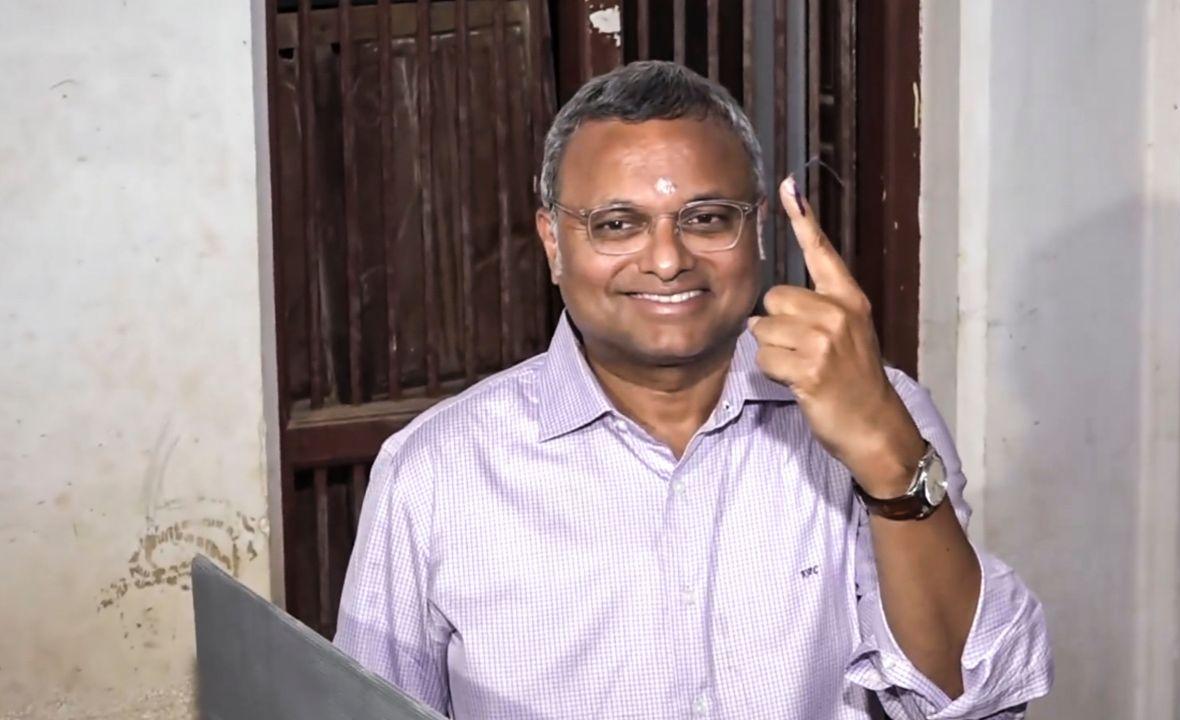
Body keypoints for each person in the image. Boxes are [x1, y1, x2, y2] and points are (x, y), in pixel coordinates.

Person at [334, 61, 1052, 719]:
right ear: (553, 243)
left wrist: (887, 458)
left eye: (707, 219)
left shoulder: (875, 411)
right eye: (618, 224)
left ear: (759, 230)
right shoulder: (435, 471)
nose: (669, 259)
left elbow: (972, 705)